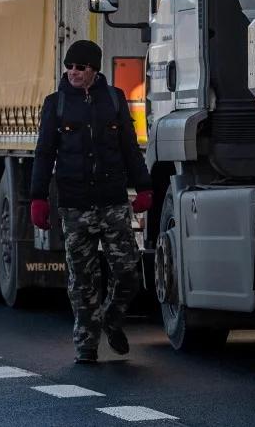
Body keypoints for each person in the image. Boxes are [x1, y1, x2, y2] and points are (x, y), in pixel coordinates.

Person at [30, 39, 153, 364]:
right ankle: (86, 343)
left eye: (80, 67)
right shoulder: (55, 104)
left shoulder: (113, 100)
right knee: (82, 280)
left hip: (112, 203)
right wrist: (38, 197)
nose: (73, 72)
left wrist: (143, 187)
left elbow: (129, 147)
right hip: (75, 205)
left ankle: (112, 318)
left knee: (128, 273)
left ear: (94, 70)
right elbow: (44, 154)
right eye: (69, 67)